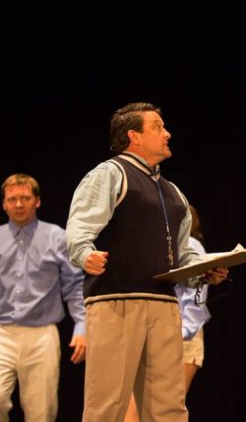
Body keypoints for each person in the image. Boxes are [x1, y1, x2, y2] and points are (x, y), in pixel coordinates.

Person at [66, 102, 228, 422]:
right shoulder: (111, 173)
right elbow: (80, 227)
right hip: (116, 301)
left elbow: (184, 252)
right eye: (157, 126)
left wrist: (203, 271)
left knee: (168, 406)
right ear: (133, 136)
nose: (167, 133)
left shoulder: (172, 192)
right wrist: (85, 254)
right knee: (107, 405)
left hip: (164, 306)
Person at [0, 173, 86, 422]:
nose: (18, 204)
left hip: (42, 336)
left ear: (37, 201)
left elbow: (75, 285)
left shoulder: (56, 237)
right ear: (4, 203)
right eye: (12, 199)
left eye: (25, 198)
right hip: (2, 334)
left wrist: (82, 326)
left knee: (42, 411)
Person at [123, 204, 211, 422]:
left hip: (181, 337)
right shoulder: (154, 247)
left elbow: (194, 300)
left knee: (168, 409)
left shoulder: (191, 246)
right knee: (137, 408)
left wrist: (174, 335)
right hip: (153, 335)